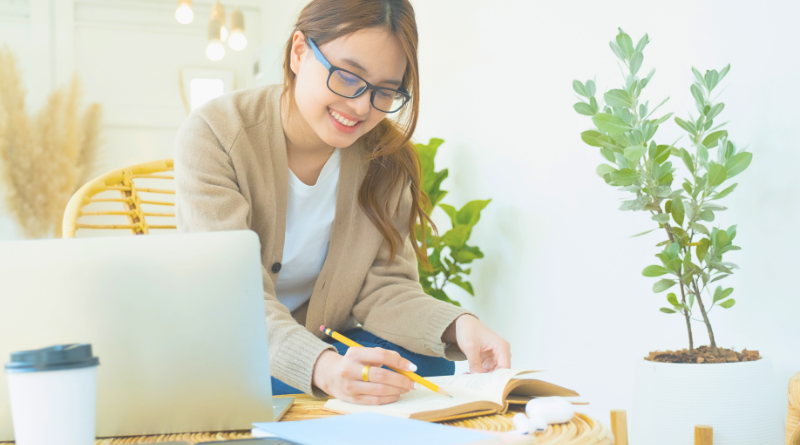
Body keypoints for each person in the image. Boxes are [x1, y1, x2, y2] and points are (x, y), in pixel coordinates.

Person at [174, 0, 511, 405]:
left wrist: (459, 326)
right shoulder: (215, 134)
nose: (361, 107)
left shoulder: (385, 158)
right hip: (230, 349)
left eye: (386, 91)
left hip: (328, 345)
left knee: (427, 363)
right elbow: (231, 298)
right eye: (348, 77)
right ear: (299, 51)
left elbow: (385, 288)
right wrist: (323, 368)